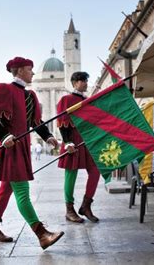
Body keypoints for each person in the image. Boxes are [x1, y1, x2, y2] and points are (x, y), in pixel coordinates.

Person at [0, 56, 64, 250]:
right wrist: (4, 136)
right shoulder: (4, 89)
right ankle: (42, 234)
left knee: (6, 188)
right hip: (10, 147)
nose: (33, 72)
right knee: (22, 192)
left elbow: (35, 122)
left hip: (23, 146)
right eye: (29, 69)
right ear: (18, 71)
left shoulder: (31, 95)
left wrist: (48, 136)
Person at [57, 71, 100, 223]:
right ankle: (69, 210)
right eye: (83, 81)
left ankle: (86, 206)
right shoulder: (66, 99)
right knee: (71, 174)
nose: (86, 83)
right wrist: (67, 142)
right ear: (75, 83)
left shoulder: (87, 100)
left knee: (95, 171)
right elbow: (62, 122)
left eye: (87, 81)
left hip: (87, 142)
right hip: (72, 142)